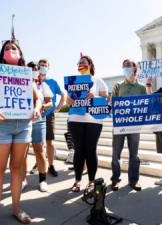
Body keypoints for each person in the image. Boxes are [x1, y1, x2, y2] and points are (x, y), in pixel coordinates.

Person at [0, 40, 41, 224]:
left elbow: (36, 99)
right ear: (2, 54)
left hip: (23, 126)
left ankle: (16, 209)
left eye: (13, 48)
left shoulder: (26, 75)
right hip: (1, 126)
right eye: (6, 48)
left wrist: (37, 108)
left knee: (16, 170)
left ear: (20, 53)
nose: (10, 50)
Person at [66, 54, 108, 192]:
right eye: (79, 62)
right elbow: (68, 99)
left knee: (91, 150)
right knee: (79, 150)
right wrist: (69, 100)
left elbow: (106, 99)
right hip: (75, 119)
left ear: (90, 65)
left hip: (93, 121)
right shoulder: (72, 81)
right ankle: (77, 181)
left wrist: (94, 96)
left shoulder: (98, 81)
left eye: (83, 62)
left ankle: (91, 181)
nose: (80, 64)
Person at [110, 59, 146, 191]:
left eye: (128, 65)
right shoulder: (118, 85)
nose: (125, 67)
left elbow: (147, 103)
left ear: (134, 68)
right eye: (123, 66)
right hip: (119, 124)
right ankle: (115, 179)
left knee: (134, 155)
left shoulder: (141, 87)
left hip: (135, 126)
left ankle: (133, 180)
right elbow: (113, 103)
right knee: (115, 154)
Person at [27, 61, 53, 192]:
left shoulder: (43, 85)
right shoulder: (20, 83)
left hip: (39, 120)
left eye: (36, 69)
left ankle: (42, 179)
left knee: (40, 150)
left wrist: (41, 106)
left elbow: (50, 103)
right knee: (22, 152)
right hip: (23, 122)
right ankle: (21, 179)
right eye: (30, 68)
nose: (34, 70)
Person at [39, 59, 66, 177]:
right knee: (38, 143)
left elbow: (63, 94)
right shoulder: (33, 81)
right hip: (36, 115)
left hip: (49, 114)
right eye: (41, 65)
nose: (43, 67)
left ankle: (51, 165)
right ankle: (39, 163)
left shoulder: (52, 82)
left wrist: (59, 107)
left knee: (49, 141)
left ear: (48, 67)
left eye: (45, 65)